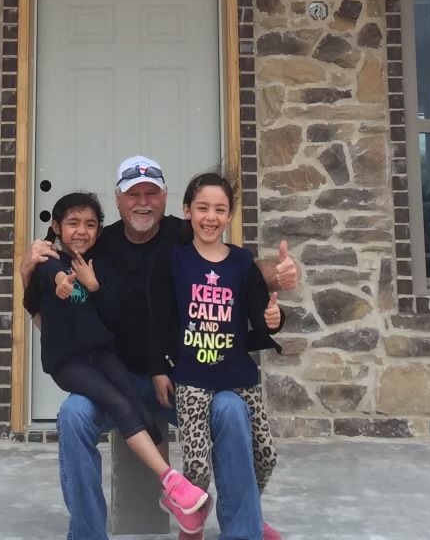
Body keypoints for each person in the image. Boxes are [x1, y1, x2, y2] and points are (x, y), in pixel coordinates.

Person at [21, 155, 299, 540]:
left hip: (183, 380)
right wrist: (26, 269)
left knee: (233, 409)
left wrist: (277, 274)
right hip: (115, 380)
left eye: (152, 193)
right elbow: (44, 310)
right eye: (133, 194)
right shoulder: (98, 245)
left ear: (166, 198)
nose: (143, 202)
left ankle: (243, 529)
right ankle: (86, 534)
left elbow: (238, 264)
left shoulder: (182, 235)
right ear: (118, 201)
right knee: (73, 416)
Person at [24, 191, 211, 533]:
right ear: (56, 227)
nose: (81, 231)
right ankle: (169, 481)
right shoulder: (48, 260)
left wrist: (94, 286)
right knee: (105, 406)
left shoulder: (102, 264)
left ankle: (171, 493)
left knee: (138, 410)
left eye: (90, 224)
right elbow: (46, 286)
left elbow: (112, 316)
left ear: (100, 229)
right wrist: (57, 281)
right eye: (73, 224)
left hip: (104, 354)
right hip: (71, 362)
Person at [156, 172, 282, 537]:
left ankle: (247, 515)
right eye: (202, 208)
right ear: (187, 212)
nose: (211, 217)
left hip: (239, 377)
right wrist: (159, 368)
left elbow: (262, 315)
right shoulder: (176, 261)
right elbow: (160, 317)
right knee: (196, 468)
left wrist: (275, 319)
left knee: (266, 457)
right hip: (193, 380)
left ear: (229, 216)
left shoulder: (242, 262)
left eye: (220, 209)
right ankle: (191, 519)